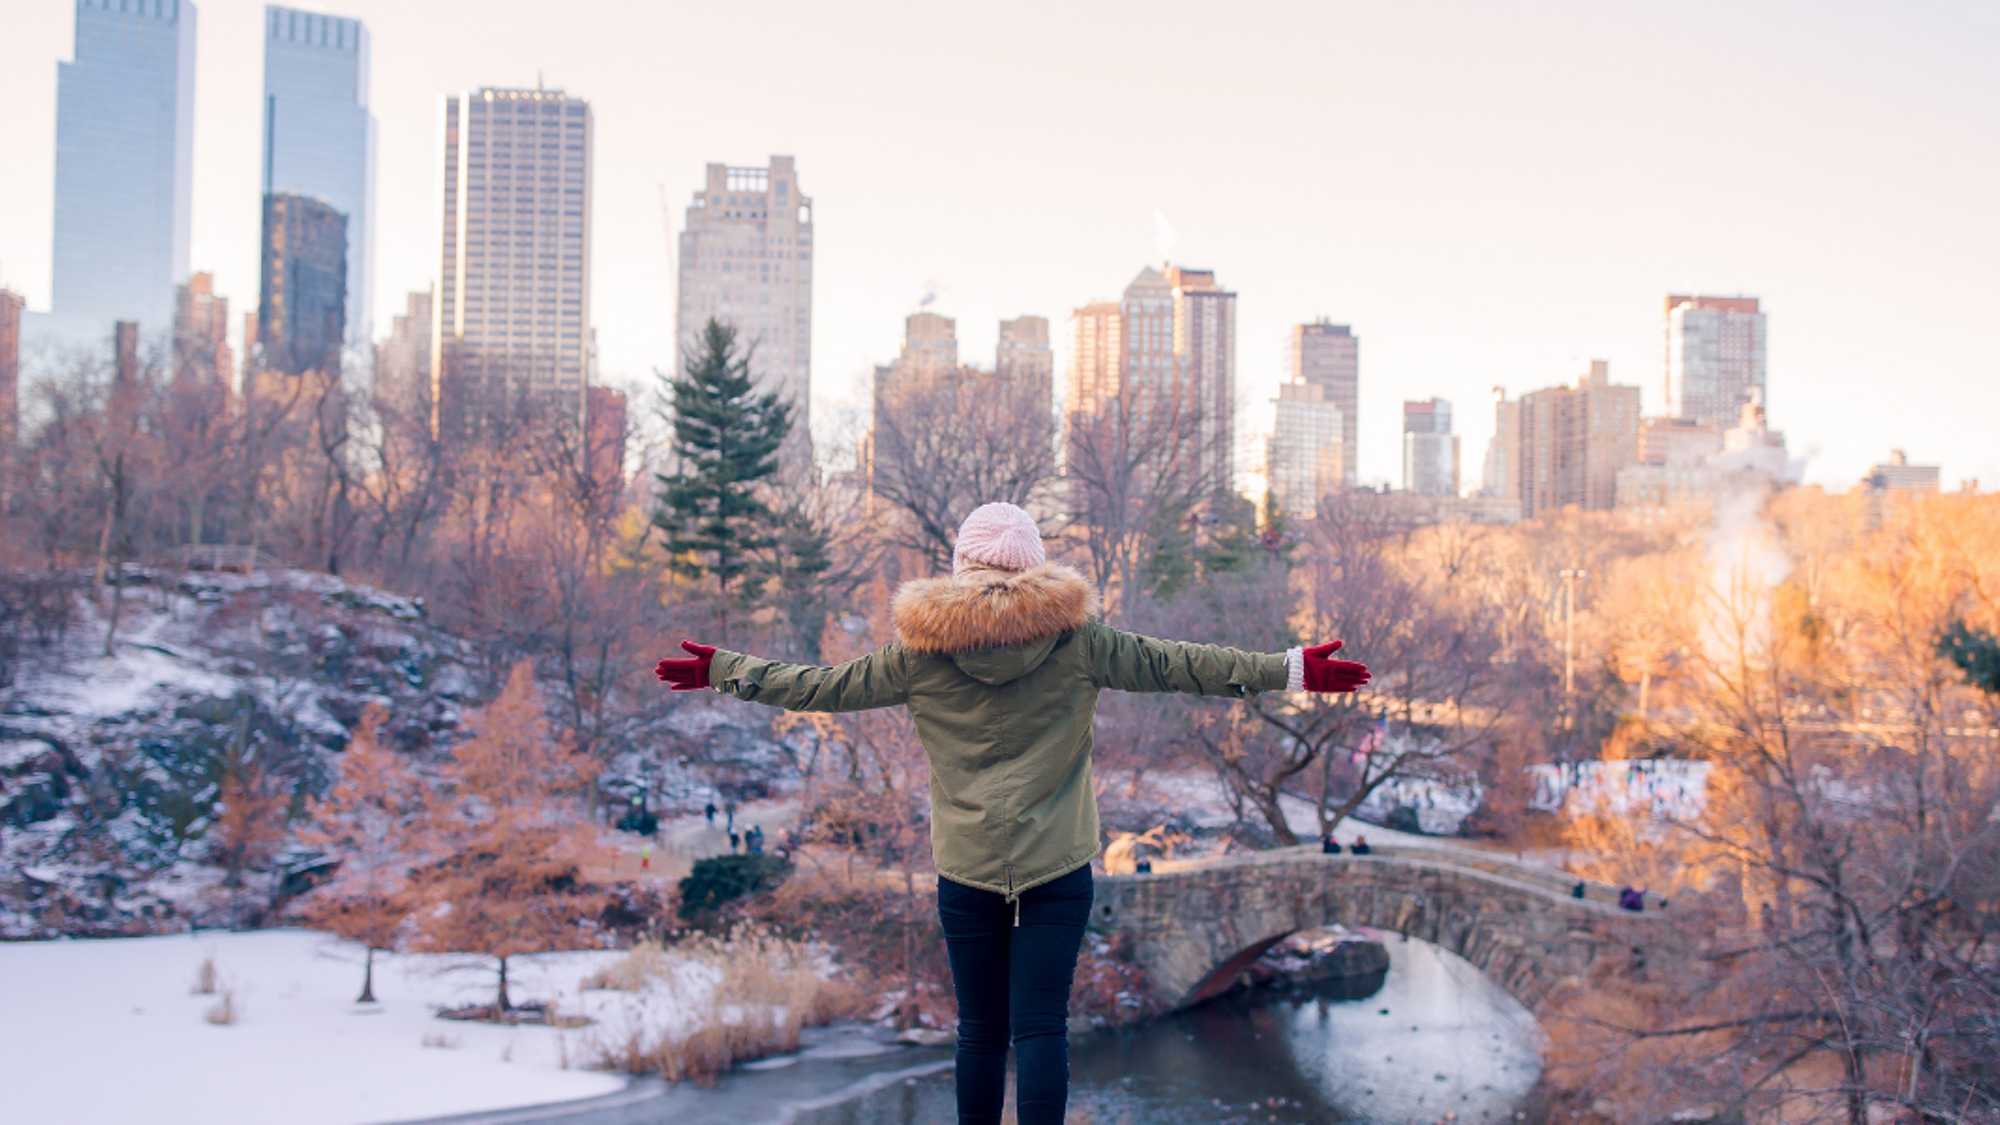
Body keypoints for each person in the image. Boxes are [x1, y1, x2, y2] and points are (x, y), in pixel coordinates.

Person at [653, 502, 1370, 1125]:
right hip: (1058, 863)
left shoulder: (918, 655)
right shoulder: (1082, 643)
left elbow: (817, 687)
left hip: (966, 866)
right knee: (1042, 1027)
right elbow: (1184, 663)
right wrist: (1290, 668)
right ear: (1035, 569)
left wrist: (725, 670)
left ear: (961, 566)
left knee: (979, 1031)